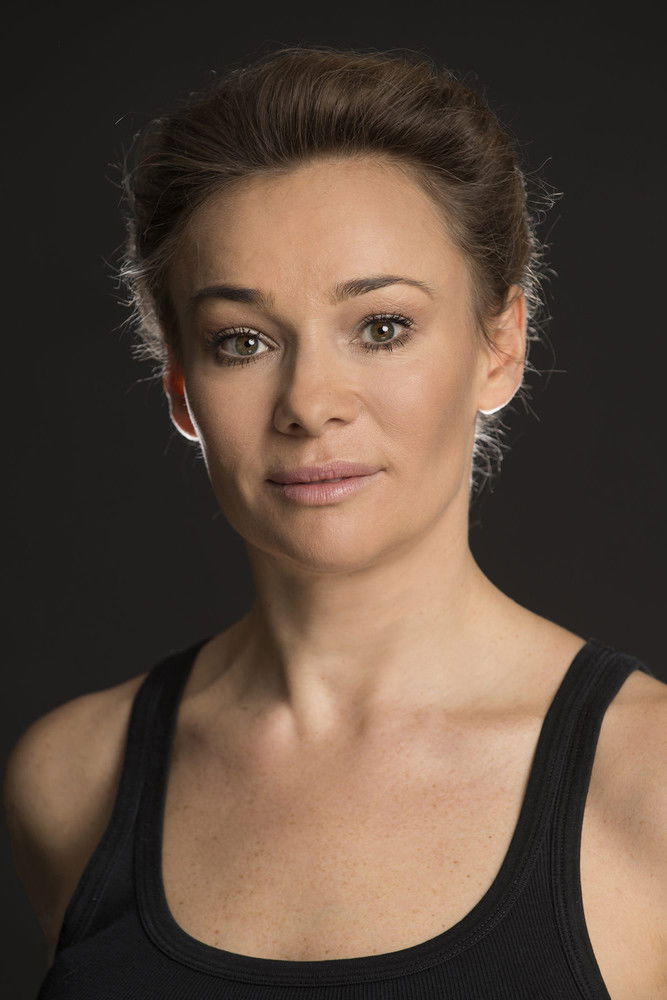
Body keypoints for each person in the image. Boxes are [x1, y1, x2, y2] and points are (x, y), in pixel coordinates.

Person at [4, 45, 666, 1000]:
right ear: (181, 387)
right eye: (242, 341)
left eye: (382, 327)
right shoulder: (73, 779)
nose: (309, 403)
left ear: (500, 344)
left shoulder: (648, 781)